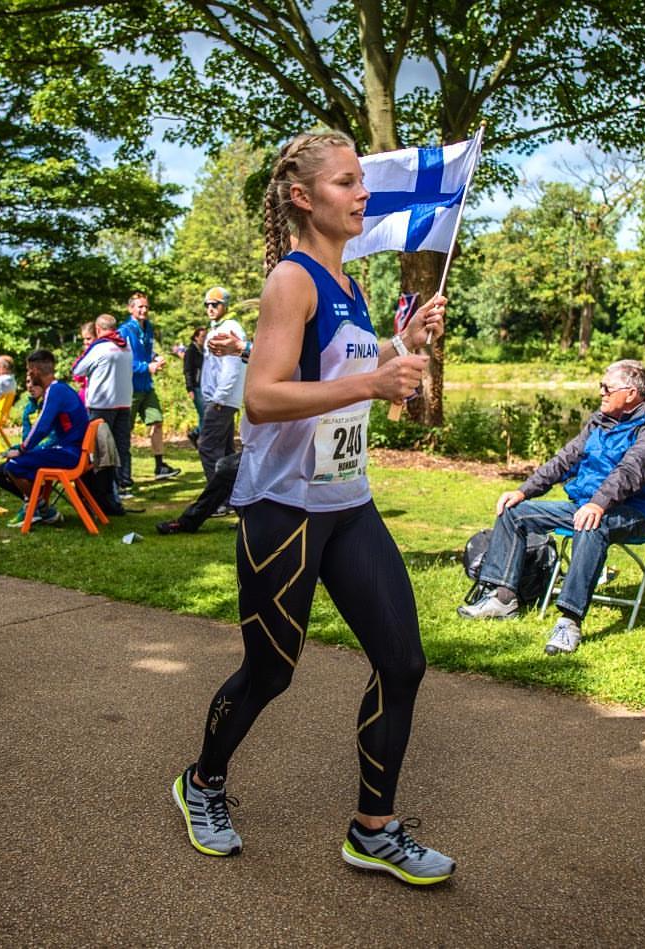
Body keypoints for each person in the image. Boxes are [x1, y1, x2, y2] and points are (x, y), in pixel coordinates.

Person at [171, 130, 455, 886]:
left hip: (347, 502)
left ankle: (374, 827)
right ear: (302, 196)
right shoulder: (290, 280)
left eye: (361, 181)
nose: (363, 193)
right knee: (269, 673)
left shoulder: (350, 284)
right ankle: (201, 782)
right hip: (282, 509)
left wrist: (402, 344)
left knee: (403, 661)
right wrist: (371, 383)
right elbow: (262, 398)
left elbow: (343, 370)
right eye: (345, 183)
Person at [458, 360, 645, 656]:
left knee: (590, 524)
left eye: (606, 387)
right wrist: (524, 491)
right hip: (587, 506)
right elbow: (565, 460)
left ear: (630, 393)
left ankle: (569, 621)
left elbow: (630, 471)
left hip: (635, 513)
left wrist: (598, 504)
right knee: (514, 513)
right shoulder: (600, 420)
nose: (600, 392)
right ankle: (503, 598)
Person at [0, 349, 89, 527]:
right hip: (73, 450)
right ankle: (39, 508)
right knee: (14, 465)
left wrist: (22, 449)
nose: (28, 374)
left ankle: (41, 509)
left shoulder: (55, 391)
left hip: (70, 454)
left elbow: (42, 426)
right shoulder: (60, 389)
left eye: (28, 371)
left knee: (14, 465)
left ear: (34, 371)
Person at [119, 291, 180, 483]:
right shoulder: (124, 331)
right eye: (140, 306)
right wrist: (147, 366)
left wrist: (155, 358)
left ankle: (160, 466)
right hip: (129, 389)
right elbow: (123, 361)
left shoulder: (149, 327)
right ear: (131, 309)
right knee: (123, 432)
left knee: (157, 422)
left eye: (146, 306)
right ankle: (122, 474)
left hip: (147, 387)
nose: (144, 310)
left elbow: (146, 351)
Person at [71, 314, 133, 497]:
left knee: (100, 451)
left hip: (102, 405)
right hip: (124, 403)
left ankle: (104, 490)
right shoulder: (126, 346)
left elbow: (77, 370)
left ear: (98, 329)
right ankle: (123, 483)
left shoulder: (100, 348)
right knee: (122, 447)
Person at [197, 287, 247, 483]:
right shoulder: (217, 328)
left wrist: (219, 398)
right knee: (225, 452)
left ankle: (219, 499)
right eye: (207, 304)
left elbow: (232, 366)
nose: (210, 308)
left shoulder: (229, 329)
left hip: (221, 400)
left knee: (207, 447)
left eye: (215, 304)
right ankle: (234, 496)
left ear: (224, 305)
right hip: (220, 398)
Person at [183, 325, 207, 448]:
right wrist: (190, 388)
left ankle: (196, 433)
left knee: (205, 414)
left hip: (204, 386)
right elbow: (187, 370)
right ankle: (200, 437)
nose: (205, 339)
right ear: (196, 337)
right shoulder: (191, 351)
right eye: (202, 336)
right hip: (196, 387)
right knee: (204, 414)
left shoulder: (203, 351)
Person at [72, 321, 96, 404]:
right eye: (84, 339)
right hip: (85, 394)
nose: (85, 342)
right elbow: (77, 376)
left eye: (88, 338)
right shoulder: (85, 355)